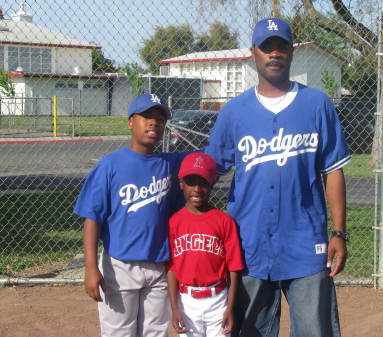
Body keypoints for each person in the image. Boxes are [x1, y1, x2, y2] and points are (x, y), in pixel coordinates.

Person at [205, 18, 351, 337]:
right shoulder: (235, 111)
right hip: (248, 243)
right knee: (250, 331)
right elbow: (205, 173)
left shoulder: (317, 105)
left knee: (316, 330)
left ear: (291, 52)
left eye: (281, 46)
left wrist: (339, 232)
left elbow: (333, 171)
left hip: (306, 242)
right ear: (253, 53)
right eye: (266, 47)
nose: (274, 54)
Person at [73, 93, 185, 337]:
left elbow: (210, 158)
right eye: (146, 116)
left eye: (160, 119)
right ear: (130, 122)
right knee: (119, 332)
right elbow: (92, 219)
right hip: (119, 266)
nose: (154, 123)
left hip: (158, 265)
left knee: (155, 332)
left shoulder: (171, 164)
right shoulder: (110, 164)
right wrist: (91, 268)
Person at [167, 152, 244, 337]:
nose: (196, 188)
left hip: (217, 299)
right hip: (186, 301)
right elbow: (171, 268)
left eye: (203, 182)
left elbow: (234, 268)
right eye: (191, 181)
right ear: (181, 184)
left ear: (212, 184)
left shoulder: (224, 221)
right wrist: (175, 307)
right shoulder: (174, 221)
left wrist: (230, 308)